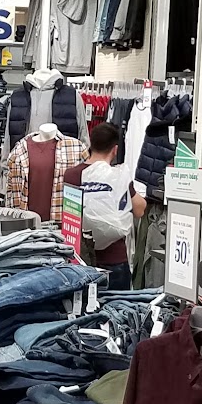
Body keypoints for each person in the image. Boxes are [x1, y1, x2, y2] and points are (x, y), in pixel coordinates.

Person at [66, 122, 143, 288]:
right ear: (115, 150)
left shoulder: (71, 175)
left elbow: (70, 216)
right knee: (118, 304)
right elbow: (139, 209)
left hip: (81, 260)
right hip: (114, 259)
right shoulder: (117, 177)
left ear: (91, 145)